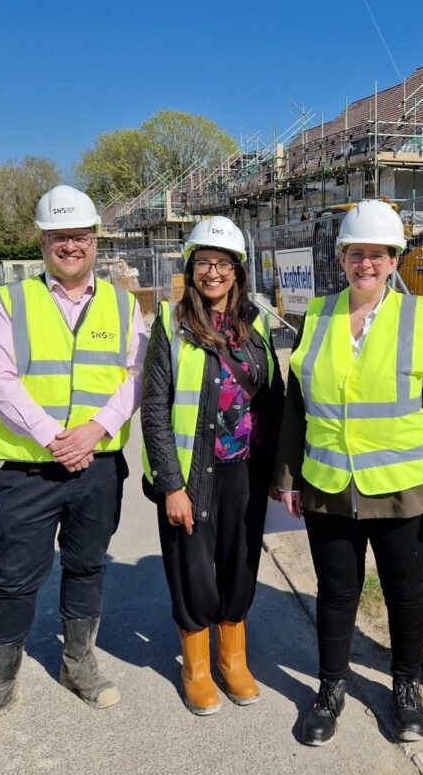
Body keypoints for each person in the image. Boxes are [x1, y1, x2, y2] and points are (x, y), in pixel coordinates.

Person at [0, 185, 148, 750]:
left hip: (98, 464)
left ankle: (77, 662)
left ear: (95, 241)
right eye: (60, 236)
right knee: (14, 576)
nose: (71, 245)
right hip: (31, 468)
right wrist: (54, 436)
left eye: (80, 236)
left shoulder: (125, 304)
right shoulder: (12, 301)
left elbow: (136, 377)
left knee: (87, 566)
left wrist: (95, 431)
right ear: (42, 241)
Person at [274, 199, 423, 746]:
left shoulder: (418, 318)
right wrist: (287, 478)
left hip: (401, 492)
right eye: (356, 253)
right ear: (341, 257)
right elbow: (297, 406)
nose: (366, 264)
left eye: (377, 255)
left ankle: (406, 687)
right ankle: (330, 689)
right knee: (336, 594)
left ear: (393, 260)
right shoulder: (317, 315)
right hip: (329, 487)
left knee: (407, 593)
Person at [140, 215, 284, 715]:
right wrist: (170, 485)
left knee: (241, 563)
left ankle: (233, 659)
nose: (213, 273)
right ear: (191, 268)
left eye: (223, 263)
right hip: (190, 475)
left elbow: (274, 400)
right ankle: (196, 666)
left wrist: (278, 472)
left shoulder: (257, 325)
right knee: (193, 572)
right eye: (204, 263)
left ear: (239, 271)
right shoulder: (170, 324)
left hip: (245, 471)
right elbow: (155, 408)